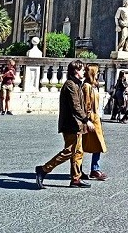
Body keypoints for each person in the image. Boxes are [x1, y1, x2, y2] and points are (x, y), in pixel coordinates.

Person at [35, 60, 94, 189]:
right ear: (76, 71)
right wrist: (86, 120)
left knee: (78, 152)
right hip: (71, 124)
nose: (84, 72)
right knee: (69, 151)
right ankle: (44, 169)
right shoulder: (70, 85)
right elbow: (75, 107)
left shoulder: (77, 84)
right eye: (82, 69)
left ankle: (76, 179)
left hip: (77, 125)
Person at [81, 64, 108, 181]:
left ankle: (94, 169)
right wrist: (87, 120)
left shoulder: (93, 86)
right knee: (82, 145)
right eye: (96, 72)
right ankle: (81, 169)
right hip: (91, 119)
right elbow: (87, 104)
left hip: (96, 118)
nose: (98, 74)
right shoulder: (86, 86)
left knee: (98, 144)